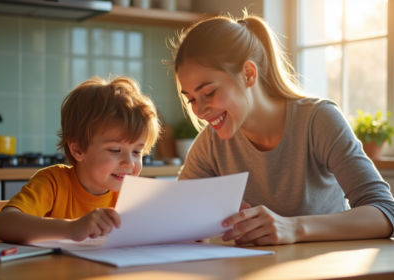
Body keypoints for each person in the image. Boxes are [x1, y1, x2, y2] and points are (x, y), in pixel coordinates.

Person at [168, 12, 394, 246]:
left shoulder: (317, 121)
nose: (200, 111)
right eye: (191, 99)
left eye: (209, 93)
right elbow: (173, 217)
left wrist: (295, 227)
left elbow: (385, 212)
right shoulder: (210, 143)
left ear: (248, 74)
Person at [0, 76, 161, 243]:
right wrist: (71, 228)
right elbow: (2, 224)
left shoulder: (131, 195)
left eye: (137, 152)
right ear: (78, 149)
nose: (130, 163)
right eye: (115, 150)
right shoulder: (53, 183)